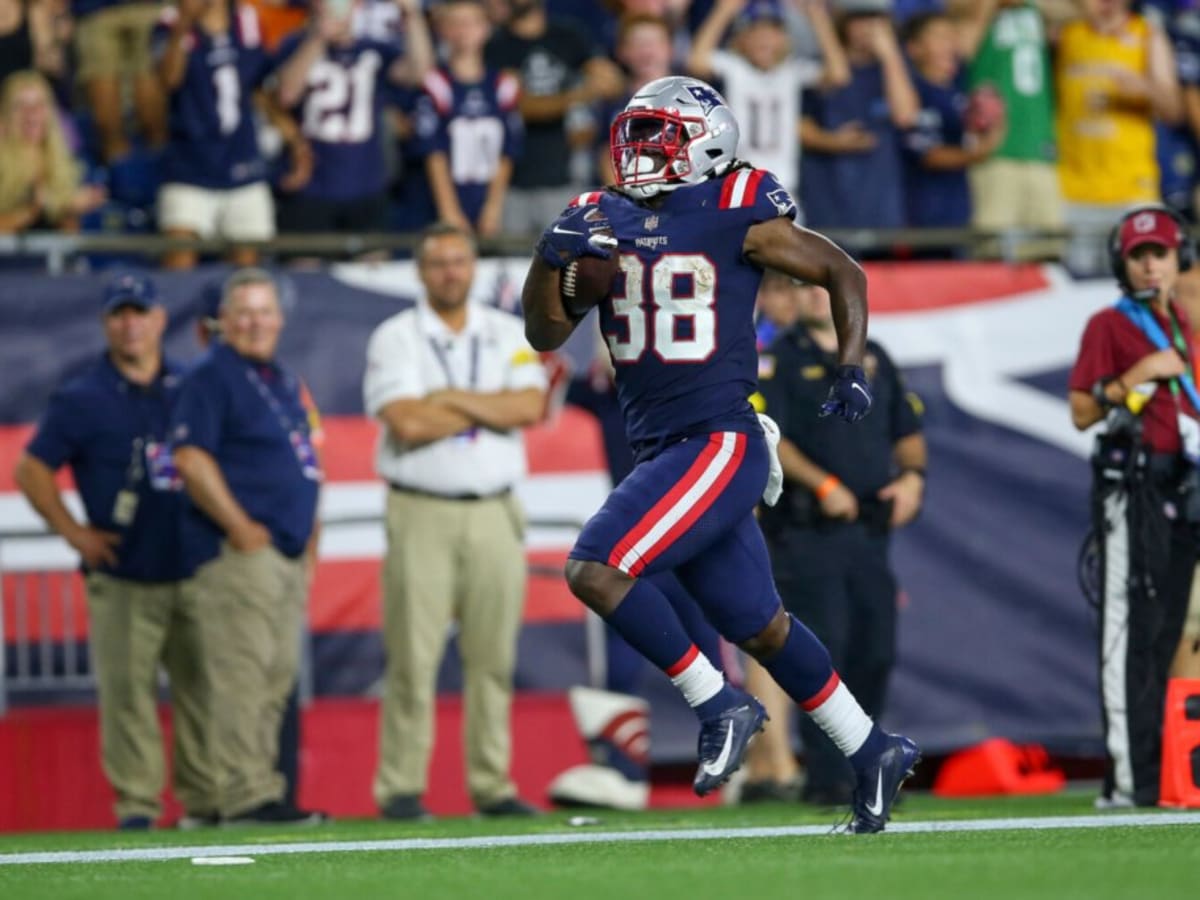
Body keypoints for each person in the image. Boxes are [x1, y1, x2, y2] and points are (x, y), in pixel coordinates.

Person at [521, 74, 920, 833]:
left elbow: (843, 269)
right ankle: (871, 747)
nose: (638, 153)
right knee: (760, 624)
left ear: (705, 143)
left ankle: (719, 702)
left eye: (657, 137)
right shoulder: (597, 216)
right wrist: (550, 259)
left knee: (597, 569)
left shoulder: (737, 205)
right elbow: (543, 333)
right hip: (662, 446)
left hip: (718, 439)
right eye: (633, 136)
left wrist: (851, 366)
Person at [13, 273, 215, 830]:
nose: (130, 324)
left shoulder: (190, 385)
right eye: (119, 314)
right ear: (106, 323)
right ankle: (137, 806)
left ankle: (204, 802)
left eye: (140, 312)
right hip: (121, 570)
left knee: (203, 689)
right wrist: (74, 533)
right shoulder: (81, 396)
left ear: (158, 320)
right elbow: (31, 470)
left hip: (194, 563)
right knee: (128, 695)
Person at [363, 222, 547, 821]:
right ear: (420, 271)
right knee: (412, 659)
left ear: (473, 267)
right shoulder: (396, 336)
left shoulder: (504, 330)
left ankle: (491, 784)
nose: (449, 272)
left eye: (459, 261)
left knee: (492, 658)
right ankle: (400, 787)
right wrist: (485, 403)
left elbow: (530, 405)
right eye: (438, 263)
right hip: (421, 508)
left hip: (495, 508)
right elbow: (406, 424)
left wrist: (446, 396)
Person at [747, 281, 925, 806]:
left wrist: (913, 477)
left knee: (875, 649)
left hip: (869, 530)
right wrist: (822, 485)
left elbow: (908, 427)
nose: (820, 297)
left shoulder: (875, 357)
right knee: (827, 652)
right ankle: (829, 775)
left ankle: (866, 760)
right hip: (806, 531)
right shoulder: (778, 360)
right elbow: (768, 433)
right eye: (809, 287)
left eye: (831, 288)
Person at [172, 268, 326, 825]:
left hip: (282, 553)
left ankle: (259, 790)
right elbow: (190, 459)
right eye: (243, 313)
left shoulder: (280, 379)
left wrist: (308, 542)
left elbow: (305, 465)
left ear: (280, 321)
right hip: (239, 553)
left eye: (264, 312)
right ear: (221, 322)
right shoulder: (210, 376)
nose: (255, 322)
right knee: (241, 676)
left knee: (273, 677)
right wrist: (238, 525)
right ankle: (245, 796)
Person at [1068, 205, 1200, 808]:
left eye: (1161, 254)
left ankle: (1159, 769)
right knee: (1128, 633)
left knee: (1167, 628)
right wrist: (1139, 374)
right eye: (1139, 256)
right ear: (1123, 264)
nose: (1150, 265)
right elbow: (1081, 411)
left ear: (1179, 260)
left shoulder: (1188, 324)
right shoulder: (1110, 325)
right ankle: (1129, 779)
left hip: (1184, 487)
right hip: (1135, 491)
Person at [154, 0, 304, 269]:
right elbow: (168, 81)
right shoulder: (169, 22)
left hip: (243, 163)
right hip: (189, 167)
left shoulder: (247, 20)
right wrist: (184, 24)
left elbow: (260, 89)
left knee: (250, 269)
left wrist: (295, 141)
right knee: (179, 264)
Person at [273, 0, 433, 234]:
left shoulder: (373, 49)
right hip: (311, 185)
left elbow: (420, 75)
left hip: (367, 184)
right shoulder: (294, 44)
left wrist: (412, 16)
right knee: (305, 265)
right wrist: (318, 39)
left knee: (371, 267)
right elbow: (286, 94)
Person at [1055, 0, 1182, 275]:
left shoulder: (1146, 34)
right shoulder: (1069, 34)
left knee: (1142, 284)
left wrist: (1144, 88)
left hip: (1131, 190)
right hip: (1074, 190)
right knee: (1075, 290)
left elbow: (1173, 109)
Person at [687, 0, 849, 205]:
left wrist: (818, 19)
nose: (764, 39)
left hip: (782, 189)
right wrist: (724, 10)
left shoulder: (792, 71)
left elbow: (839, 75)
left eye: (772, 31)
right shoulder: (734, 68)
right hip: (736, 189)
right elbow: (696, 61)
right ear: (741, 38)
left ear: (784, 38)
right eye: (755, 31)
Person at [484, 0, 624, 235]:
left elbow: (612, 83)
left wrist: (594, 85)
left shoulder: (569, 35)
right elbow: (522, 106)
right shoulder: (496, 45)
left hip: (565, 174)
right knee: (512, 264)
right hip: (513, 181)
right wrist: (581, 94)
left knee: (564, 263)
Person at [950, 0, 1063, 254]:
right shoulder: (973, 13)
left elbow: (1081, 10)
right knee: (990, 249)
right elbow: (963, 51)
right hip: (994, 150)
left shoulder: (1036, 11)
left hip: (1040, 147)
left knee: (1048, 250)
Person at [799, 0, 918, 235]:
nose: (869, 28)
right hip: (829, 198)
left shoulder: (894, 69)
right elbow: (799, 126)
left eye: (877, 20)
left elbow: (906, 116)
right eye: (860, 20)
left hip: (880, 202)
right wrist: (834, 142)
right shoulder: (818, 67)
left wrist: (890, 55)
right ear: (844, 23)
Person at [416, 0, 523, 237]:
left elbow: (507, 153)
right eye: (455, 23)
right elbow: (433, 152)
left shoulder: (503, 85)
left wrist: (493, 208)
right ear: (442, 30)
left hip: (488, 198)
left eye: (472, 23)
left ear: (486, 28)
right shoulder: (436, 84)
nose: (464, 31)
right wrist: (449, 210)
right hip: (441, 202)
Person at [901, 10, 1005, 240]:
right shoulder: (912, 91)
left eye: (951, 36)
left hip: (958, 212)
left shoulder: (957, 88)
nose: (948, 44)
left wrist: (995, 121)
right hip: (924, 216)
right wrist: (979, 153)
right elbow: (929, 155)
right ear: (914, 48)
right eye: (938, 36)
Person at [0, 70, 107, 234]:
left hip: (50, 257)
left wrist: (68, 211)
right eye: (20, 106)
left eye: (39, 105)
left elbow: (70, 237)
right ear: (7, 114)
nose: (31, 113)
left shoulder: (63, 163)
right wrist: (40, 209)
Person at [72, 0, 166, 163]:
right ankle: (134, 173)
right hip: (107, 10)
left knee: (118, 131)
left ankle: (127, 170)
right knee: (148, 73)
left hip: (99, 10)